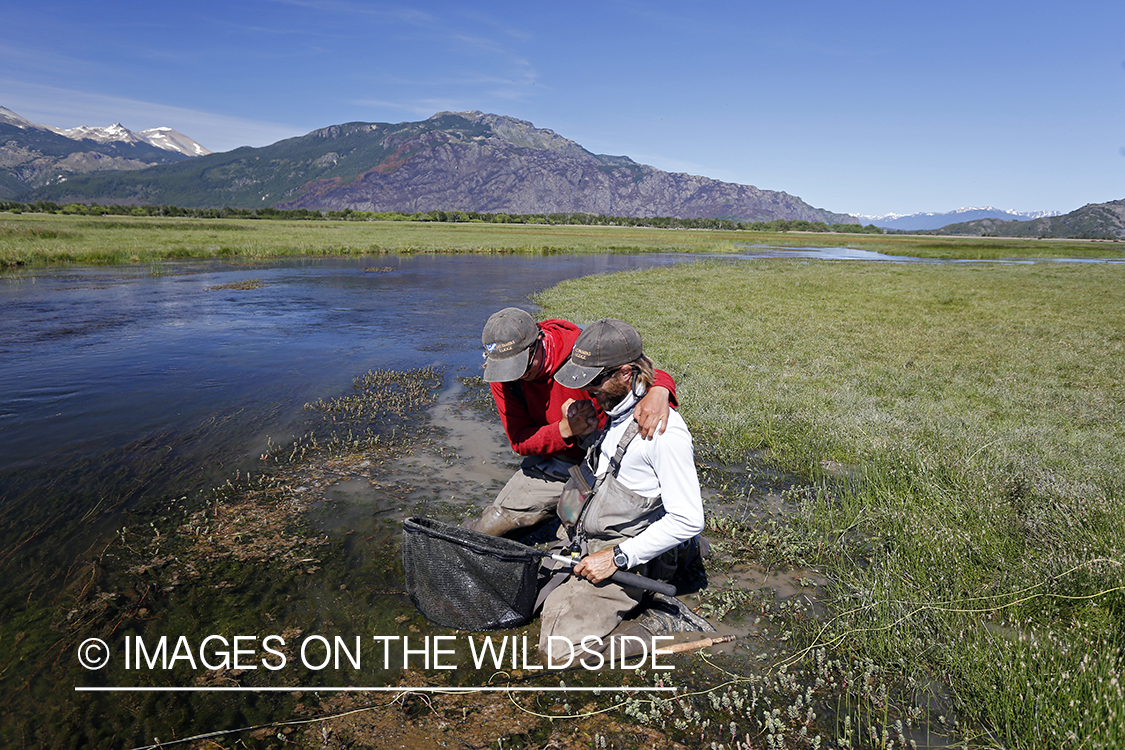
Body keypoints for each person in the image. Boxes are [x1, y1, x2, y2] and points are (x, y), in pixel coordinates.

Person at [538, 318, 705, 665]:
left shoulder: (664, 432)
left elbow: (689, 518)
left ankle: (661, 621)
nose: (586, 390)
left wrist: (615, 558)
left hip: (625, 557)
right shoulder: (609, 405)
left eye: (594, 381)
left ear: (626, 374)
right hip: (583, 545)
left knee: (558, 652)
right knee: (530, 598)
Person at [468, 307, 678, 537]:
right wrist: (564, 430)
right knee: (488, 530)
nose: (515, 376)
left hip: (607, 463)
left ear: (538, 342)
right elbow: (520, 441)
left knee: (586, 539)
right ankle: (568, 512)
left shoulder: (581, 349)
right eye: (507, 370)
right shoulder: (504, 374)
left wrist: (660, 389)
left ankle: (682, 544)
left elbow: (640, 371)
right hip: (559, 463)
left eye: (522, 367)